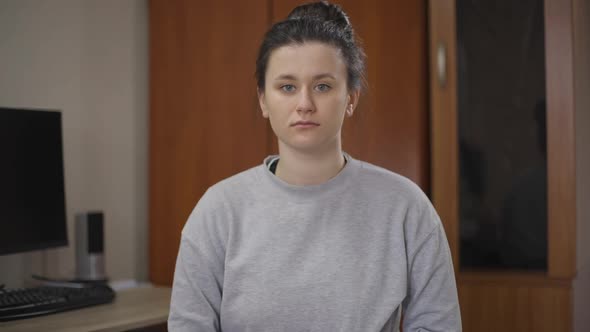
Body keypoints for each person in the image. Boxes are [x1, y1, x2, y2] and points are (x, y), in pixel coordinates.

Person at [168, 1, 461, 331]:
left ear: (351, 98)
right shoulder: (218, 211)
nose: (304, 104)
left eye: (323, 86)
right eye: (287, 87)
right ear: (264, 99)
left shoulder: (406, 207)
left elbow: (439, 325)